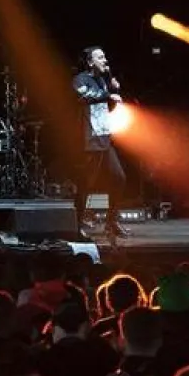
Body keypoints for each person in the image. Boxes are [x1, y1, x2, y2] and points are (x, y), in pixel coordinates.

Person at [72, 47, 127, 238]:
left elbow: (106, 105)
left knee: (119, 178)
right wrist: (108, 95)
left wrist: (113, 90)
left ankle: (111, 222)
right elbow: (86, 96)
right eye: (100, 57)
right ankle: (77, 225)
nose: (105, 60)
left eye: (105, 57)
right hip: (89, 139)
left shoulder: (102, 80)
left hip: (104, 137)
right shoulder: (80, 79)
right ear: (90, 62)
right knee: (86, 184)